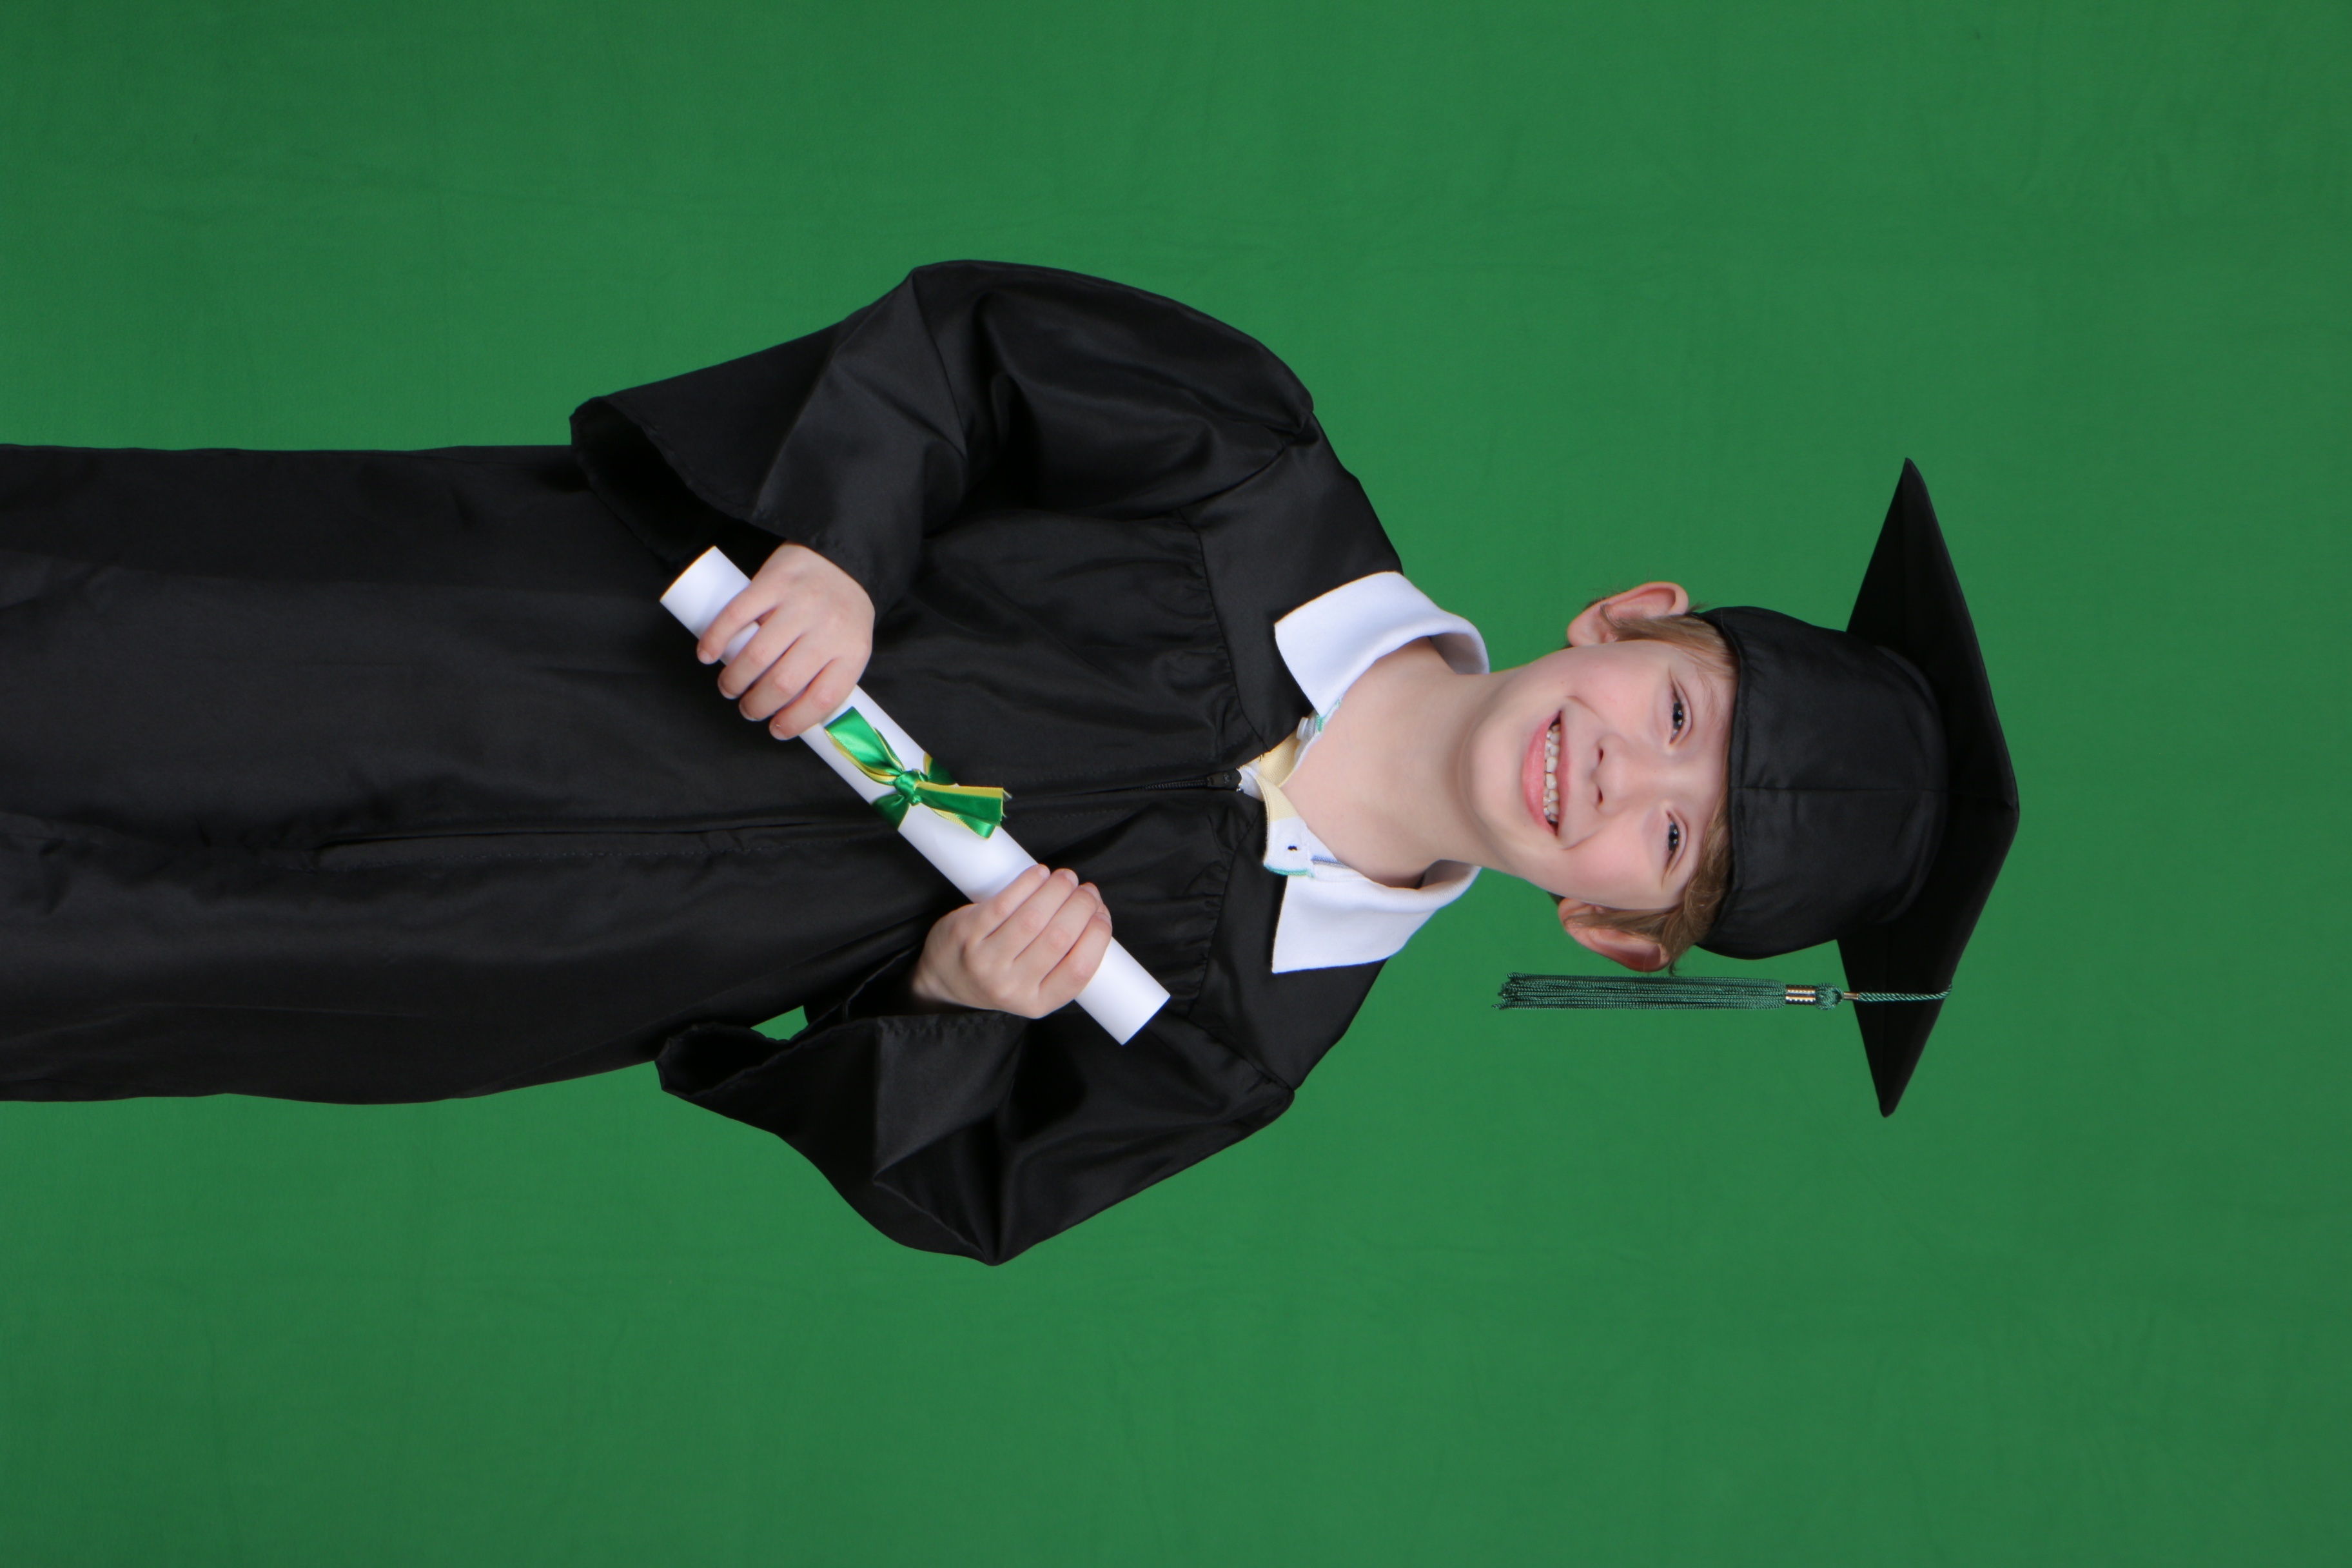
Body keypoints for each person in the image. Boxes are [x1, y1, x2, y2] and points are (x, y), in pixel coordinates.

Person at [0, 262, 2014, 1264]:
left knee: (108, 952)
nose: (1625, 777)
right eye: (1681, 718)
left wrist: (957, 1008)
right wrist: (841, 556)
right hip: (514, 641)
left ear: (1619, 932)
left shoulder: (1235, 1038)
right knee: (101, 638)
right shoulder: (1246, 469)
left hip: (524, 944)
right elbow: (959, 355)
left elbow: (942, 1174)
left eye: (1673, 843)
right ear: (1633, 617)